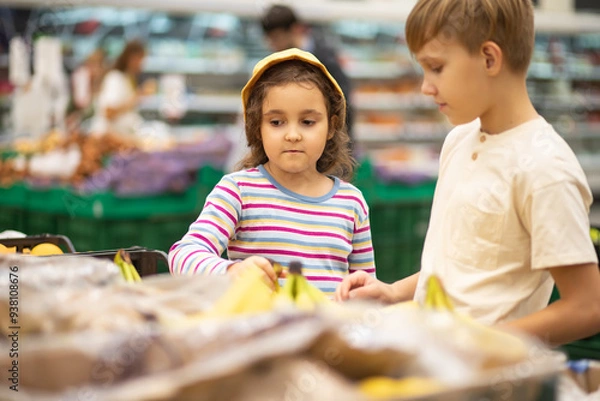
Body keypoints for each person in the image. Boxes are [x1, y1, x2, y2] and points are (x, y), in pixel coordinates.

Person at [336, 0, 600, 346]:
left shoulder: (544, 169)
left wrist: (481, 342)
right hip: (433, 360)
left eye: (436, 68)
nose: (425, 87)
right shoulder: (459, 141)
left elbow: (588, 306)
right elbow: (457, 268)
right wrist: (392, 292)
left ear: (489, 58)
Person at [169, 48, 375, 296]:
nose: (292, 135)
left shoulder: (351, 202)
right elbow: (182, 255)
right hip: (262, 333)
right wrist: (230, 271)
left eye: (308, 122)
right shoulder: (239, 191)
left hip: (327, 333)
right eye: (276, 122)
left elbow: (366, 290)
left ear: (331, 126)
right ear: (257, 127)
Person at [261, 4, 355, 149]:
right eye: (269, 39)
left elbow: (343, 103)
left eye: (276, 38)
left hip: (324, 148)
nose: (273, 45)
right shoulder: (278, 62)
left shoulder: (325, 59)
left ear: (294, 29)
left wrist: (339, 146)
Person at [89, 40, 146, 136]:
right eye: (141, 59)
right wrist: (135, 99)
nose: (143, 64)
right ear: (132, 58)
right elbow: (109, 112)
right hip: (110, 138)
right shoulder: (115, 79)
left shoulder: (127, 78)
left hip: (122, 135)